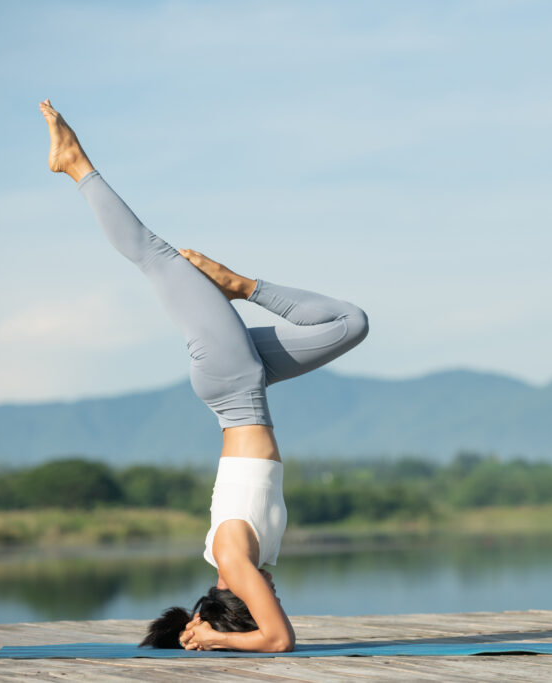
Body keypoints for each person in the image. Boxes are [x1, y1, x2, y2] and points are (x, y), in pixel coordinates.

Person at [39, 99, 369, 652]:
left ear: (236, 604)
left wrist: (215, 638)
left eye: (265, 603)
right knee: (350, 324)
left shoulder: (235, 560)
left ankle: (75, 165)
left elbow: (278, 640)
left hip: (234, 382)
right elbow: (271, 627)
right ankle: (241, 287)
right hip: (249, 384)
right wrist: (206, 627)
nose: (278, 599)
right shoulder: (247, 559)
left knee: (154, 254)